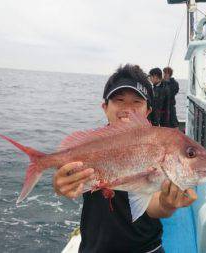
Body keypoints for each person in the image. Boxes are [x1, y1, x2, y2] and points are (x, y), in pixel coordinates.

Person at [52, 64, 197, 253]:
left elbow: (153, 204)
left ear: (147, 111)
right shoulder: (89, 146)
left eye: (137, 102)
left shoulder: (158, 144)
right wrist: (60, 184)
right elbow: (68, 178)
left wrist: (166, 204)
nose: (127, 109)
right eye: (119, 100)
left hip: (146, 248)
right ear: (105, 107)